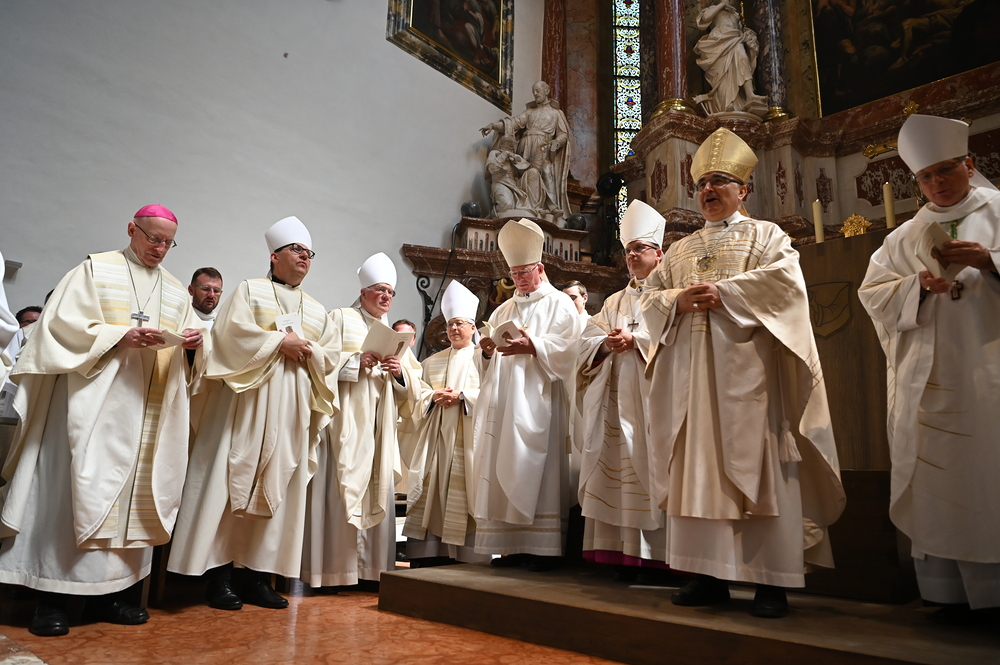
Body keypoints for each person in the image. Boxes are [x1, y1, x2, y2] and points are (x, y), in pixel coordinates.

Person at [639, 128, 844, 618]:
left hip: (749, 378)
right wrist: (677, 300)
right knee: (697, 469)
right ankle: (707, 575)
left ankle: (771, 581)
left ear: (743, 189)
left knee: (760, 465)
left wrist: (726, 294)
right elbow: (649, 299)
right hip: (690, 380)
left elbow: (786, 286)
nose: (708, 190)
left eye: (719, 181)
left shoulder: (767, 235)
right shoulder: (680, 250)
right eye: (702, 183)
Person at [0, 205, 205, 636]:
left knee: (129, 499)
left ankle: (111, 595)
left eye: (168, 243)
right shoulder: (94, 271)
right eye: (153, 238)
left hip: (146, 409)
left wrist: (192, 345)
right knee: (69, 493)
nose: (160, 249)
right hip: (88, 405)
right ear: (132, 229)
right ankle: (51, 599)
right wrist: (118, 336)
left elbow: (191, 346)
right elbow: (58, 329)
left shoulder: (173, 289)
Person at [858, 114, 1000, 624]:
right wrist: (916, 287)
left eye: (946, 170)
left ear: (970, 165)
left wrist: (989, 260)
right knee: (940, 481)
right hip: (930, 378)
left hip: (988, 372)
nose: (937, 182)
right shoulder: (904, 237)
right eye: (926, 176)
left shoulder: (998, 212)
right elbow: (872, 294)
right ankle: (948, 594)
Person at [168, 216, 340, 611]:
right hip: (245, 406)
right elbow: (229, 337)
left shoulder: (318, 310)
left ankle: (257, 577)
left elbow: (330, 355)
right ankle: (219, 578)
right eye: (296, 250)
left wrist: (309, 350)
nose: (304, 257)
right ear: (274, 256)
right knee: (227, 486)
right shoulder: (250, 290)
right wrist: (279, 342)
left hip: (292, 411)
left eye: (309, 253)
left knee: (279, 490)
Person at [300, 253, 422, 590]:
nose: (385, 297)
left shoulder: (393, 334)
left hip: (377, 428)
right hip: (344, 423)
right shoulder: (340, 318)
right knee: (339, 491)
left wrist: (399, 374)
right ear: (363, 291)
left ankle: (370, 572)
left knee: (375, 488)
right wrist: (355, 361)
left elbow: (413, 385)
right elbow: (319, 360)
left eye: (390, 292)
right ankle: (334, 573)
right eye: (380, 290)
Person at [473, 219, 584, 570]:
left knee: (538, 467)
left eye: (524, 272)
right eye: (513, 273)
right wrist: (486, 351)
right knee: (503, 463)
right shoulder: (503, 310)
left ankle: (542, 549)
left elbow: (571, 349)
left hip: (541, 398)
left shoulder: (560, 304)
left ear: (540, 268)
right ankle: (512, 547)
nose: (519, 279)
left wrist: (534, 345)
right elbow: (485, 355)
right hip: (505, 399)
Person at [577, 200, 668, 580]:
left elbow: (680, 339)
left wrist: (638, 341)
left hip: (655, 400)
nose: (631, 256)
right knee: (618, 470)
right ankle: (622, 555)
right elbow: (587, 340)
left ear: (658, 253)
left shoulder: (672, 292)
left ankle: (660, 557)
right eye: (628, 250)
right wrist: (605, 344)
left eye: (639, 249)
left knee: (655, 470)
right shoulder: (614, 301)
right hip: (615, 402)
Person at [401, 281, 490, 566]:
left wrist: (463, 397)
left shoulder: (484, 359)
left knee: (467, 494)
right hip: (437, 444)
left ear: (473, 327)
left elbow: (494, 395)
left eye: (459, 323)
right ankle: (429, 555)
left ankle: (469, 557)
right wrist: (432, 396)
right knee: (431, 492)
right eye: (450, 324)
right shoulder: (432, 362)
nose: (453, 329)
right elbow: (417, 395)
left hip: (469, 443)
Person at [480, 81, 572, 224]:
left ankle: (553, 210)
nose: (535, 94)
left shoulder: (556, 113)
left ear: (547, 90)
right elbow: (513, 123)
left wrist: (556, 143)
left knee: (546, 171)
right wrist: (494, 126)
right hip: (526, 146)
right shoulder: (530, 112)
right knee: (525, 174)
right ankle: (526, 205)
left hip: (544, 146)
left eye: (538, 91)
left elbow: (563, 134)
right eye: (533, 91)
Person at [692, 0, 767, 116]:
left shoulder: (735, 13)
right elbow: (705, 19)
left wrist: (749, 38)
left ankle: (750, 95)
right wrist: (722, 5)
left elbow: (741, 29)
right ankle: (726, 103)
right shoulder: (712, 9)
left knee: (743, 58)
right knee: (723, 75)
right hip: (718, 43)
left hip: (735, 40)